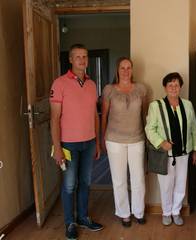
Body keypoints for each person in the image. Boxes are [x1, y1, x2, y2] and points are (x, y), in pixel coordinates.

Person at [50, 44, 103, 240]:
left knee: (86, 182)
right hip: (68, 145)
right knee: (70, 185)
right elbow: (54, 118)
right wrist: (57, 148)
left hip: (89, 143)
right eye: (78, 57)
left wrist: (97, 142)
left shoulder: (91, 84)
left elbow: (95, 116)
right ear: (71, 60)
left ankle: (82, 217)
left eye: (85, 56)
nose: (82, 60)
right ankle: (69, 222)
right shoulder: (59, 83)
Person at [145, 72, 196, 226]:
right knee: (166, 186)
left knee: (181, 185)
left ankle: (176, 212)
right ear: (165, 87)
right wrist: (161, 142)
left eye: (176, 84)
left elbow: (194, 129)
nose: (173, 87)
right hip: (166, 155)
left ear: (180, 87)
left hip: (184, 154)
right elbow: (150, 129)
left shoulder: (187, 105)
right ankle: (166, 212)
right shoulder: (156, 106)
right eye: (170, 85)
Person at [101, 57, 147, 227]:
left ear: (132, 70)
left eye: (129, 68)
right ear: (117, 70)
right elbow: (104, 116)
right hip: (114, 140)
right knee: (119, 179)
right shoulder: (109, 90)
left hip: (137, 138)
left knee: (138, 179)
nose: (126, 71)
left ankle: (139, 212)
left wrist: (148, 138)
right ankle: (124, 213)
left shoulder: (141, 89)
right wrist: (102, 138)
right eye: (122, 68)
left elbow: (145, 115)